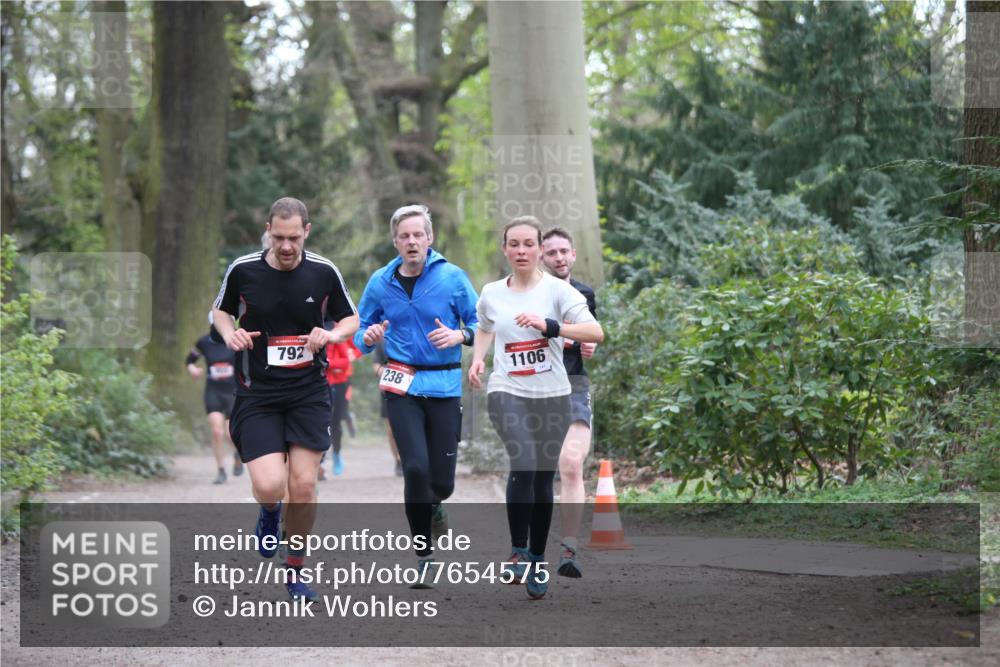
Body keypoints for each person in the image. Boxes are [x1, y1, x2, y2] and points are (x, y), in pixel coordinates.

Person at [212, 197, 359, 602]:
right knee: (271, 484)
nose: (287, 246)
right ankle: (270, 512)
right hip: (257, 392)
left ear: (306, 232)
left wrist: (331, 335)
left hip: (308, 391)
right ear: (268, 231)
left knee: (305, 485)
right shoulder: (243, 270)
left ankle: (295, 573)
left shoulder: (323, 271)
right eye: (278, 237)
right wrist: (230, 334)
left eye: (294, 237)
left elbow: (352, 318)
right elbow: (221, 312)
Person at [469, 216, 603, 600]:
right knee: (524, 462)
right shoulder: (492, 292)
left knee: (544, 478)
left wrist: (552, 327)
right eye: (514, 244)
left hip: (553, 394)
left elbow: (596, 332)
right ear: (505, 249)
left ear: (540, 249)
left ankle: (538, 558)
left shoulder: (560, 293)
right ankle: (516, 549)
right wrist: (479, 358)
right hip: (507, 390)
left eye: (529, 244)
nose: (522, 251)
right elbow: (484, 325)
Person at [353, 204, 478, 585]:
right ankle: (424, 555)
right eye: (404, 236)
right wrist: (367, 337)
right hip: (401, 386)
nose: (411, 241)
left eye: (417, 234)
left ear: (430, 238)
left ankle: (436, 504)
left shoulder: (453, 278)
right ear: (395, 241)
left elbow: (478, 323)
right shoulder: (380, 281)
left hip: (443, 385)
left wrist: (460, 336)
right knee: (415, 469)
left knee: (442, 483)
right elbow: (359, 330)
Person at [541, 226, 597, 578]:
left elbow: (588, 334)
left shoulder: (584, 293)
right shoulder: (530, 295)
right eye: (552, 253)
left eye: (564, 251)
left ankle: (569, 547)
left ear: (573, 254)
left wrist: (587, 345)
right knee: (537, 472)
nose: (559, 258)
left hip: (574, 384)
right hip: (536, 387)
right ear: (541, 258)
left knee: (572, 463)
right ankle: (527, 547)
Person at [186, 321, 242, 484]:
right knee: (217, 431)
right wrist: (192, 369)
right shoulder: (203, 342)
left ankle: (238, 454)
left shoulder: (237, 339)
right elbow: (190, 360)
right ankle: (221, 471)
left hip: (232, 392)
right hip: (213, 391)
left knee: (231, 435)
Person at [324, 339, 361, 477]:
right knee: (323, 420)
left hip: (342, 380)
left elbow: (357, 349)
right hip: (322, 381)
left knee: (336, 419)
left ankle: (336, 454)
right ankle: (321, 460)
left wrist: (352, 355)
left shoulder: (342, 331)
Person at [373, 341, 404, 477]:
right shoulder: (383, 342)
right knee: (392, 429)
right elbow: (376, 365)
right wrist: (388, 374)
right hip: (389, 389)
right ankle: (398, 460)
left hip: (412, 388)